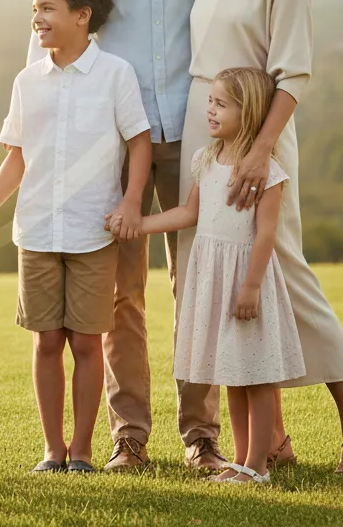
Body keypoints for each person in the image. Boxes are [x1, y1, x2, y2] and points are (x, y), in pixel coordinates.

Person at [184, 0, 343, 474]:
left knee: (285, 273)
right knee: (215, 276)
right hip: (205, 128)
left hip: (259, 137)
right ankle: (271, 441)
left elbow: (292, 72)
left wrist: (258, 151)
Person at [35, 0, 222, 471]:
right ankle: (129, 438)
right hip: (109, 135)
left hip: (198, 125)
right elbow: (49, 17)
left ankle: (201, 435)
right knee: (120, 294)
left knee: (197, 283)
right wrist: (39, 115)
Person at [0, 0, 152, 473]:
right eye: (34, 10)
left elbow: (139, 142)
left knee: (88, 342)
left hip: (95, 231)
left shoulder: (116, 75)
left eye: (48, 8)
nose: (38, 19)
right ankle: (52, 451)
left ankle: (84, 451)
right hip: (38, 231)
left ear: (82, 15)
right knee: (47, 341)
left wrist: (131, 201)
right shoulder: (28, 81)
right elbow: (16, 156)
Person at [126, 67, 305, 484]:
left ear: (251, 112)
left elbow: (265, 234)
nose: (210, 111)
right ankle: (240, 463)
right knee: (233, 375)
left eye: (221, 104)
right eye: (210, 101)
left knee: (255, 377)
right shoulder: (206, 159)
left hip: (244, 279)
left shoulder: (266, 172)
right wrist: (137, 222)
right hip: (213, 278)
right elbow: (189, 214)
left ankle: (257, 466)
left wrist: (252, 287)